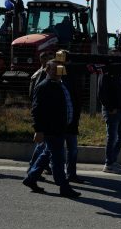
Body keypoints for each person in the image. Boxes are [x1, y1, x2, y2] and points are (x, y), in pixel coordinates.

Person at [23, 60, 81, 197]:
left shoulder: (60, 85)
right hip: (51, 129)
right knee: (58, 159)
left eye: (60, 69)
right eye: (54, 69)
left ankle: (31, 178)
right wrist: (38, 130)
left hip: (61, 128)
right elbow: (36, 110)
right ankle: (64, 186)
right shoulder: (43, 87)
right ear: (47, 70)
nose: (58, 72)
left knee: (47, 154)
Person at [98, 58, 121, 174]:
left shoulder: (120, 74)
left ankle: (112, 160)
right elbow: (101, 94)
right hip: (112, 112)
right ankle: (108, 164)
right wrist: (110, 108)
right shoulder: (105, 74)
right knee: (112, 138)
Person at [27, 51, 54, 177]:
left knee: (45, 144)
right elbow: (35, 94)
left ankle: (43, 165)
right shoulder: (41, 74)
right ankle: (33, 168)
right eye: (48, 58)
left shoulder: (40, 73)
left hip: (45, 111)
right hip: (43, 112)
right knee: (42, 144)